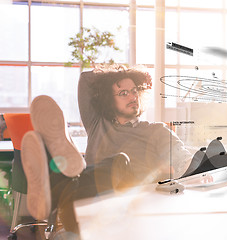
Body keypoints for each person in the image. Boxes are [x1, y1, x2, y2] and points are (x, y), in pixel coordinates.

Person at [21, 64, 192, 238]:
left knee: (118, 163)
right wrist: (126, 73)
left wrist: (172, 170)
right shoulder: (97, 124)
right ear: (109, 100)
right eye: (123, 93)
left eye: (134, 91)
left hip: (127, 203)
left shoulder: (157, 130)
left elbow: (182, 159)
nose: (132, 96)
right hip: (85, 203)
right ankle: (60, 182)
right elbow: (86, 79)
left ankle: (55, 186)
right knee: (109, 167)